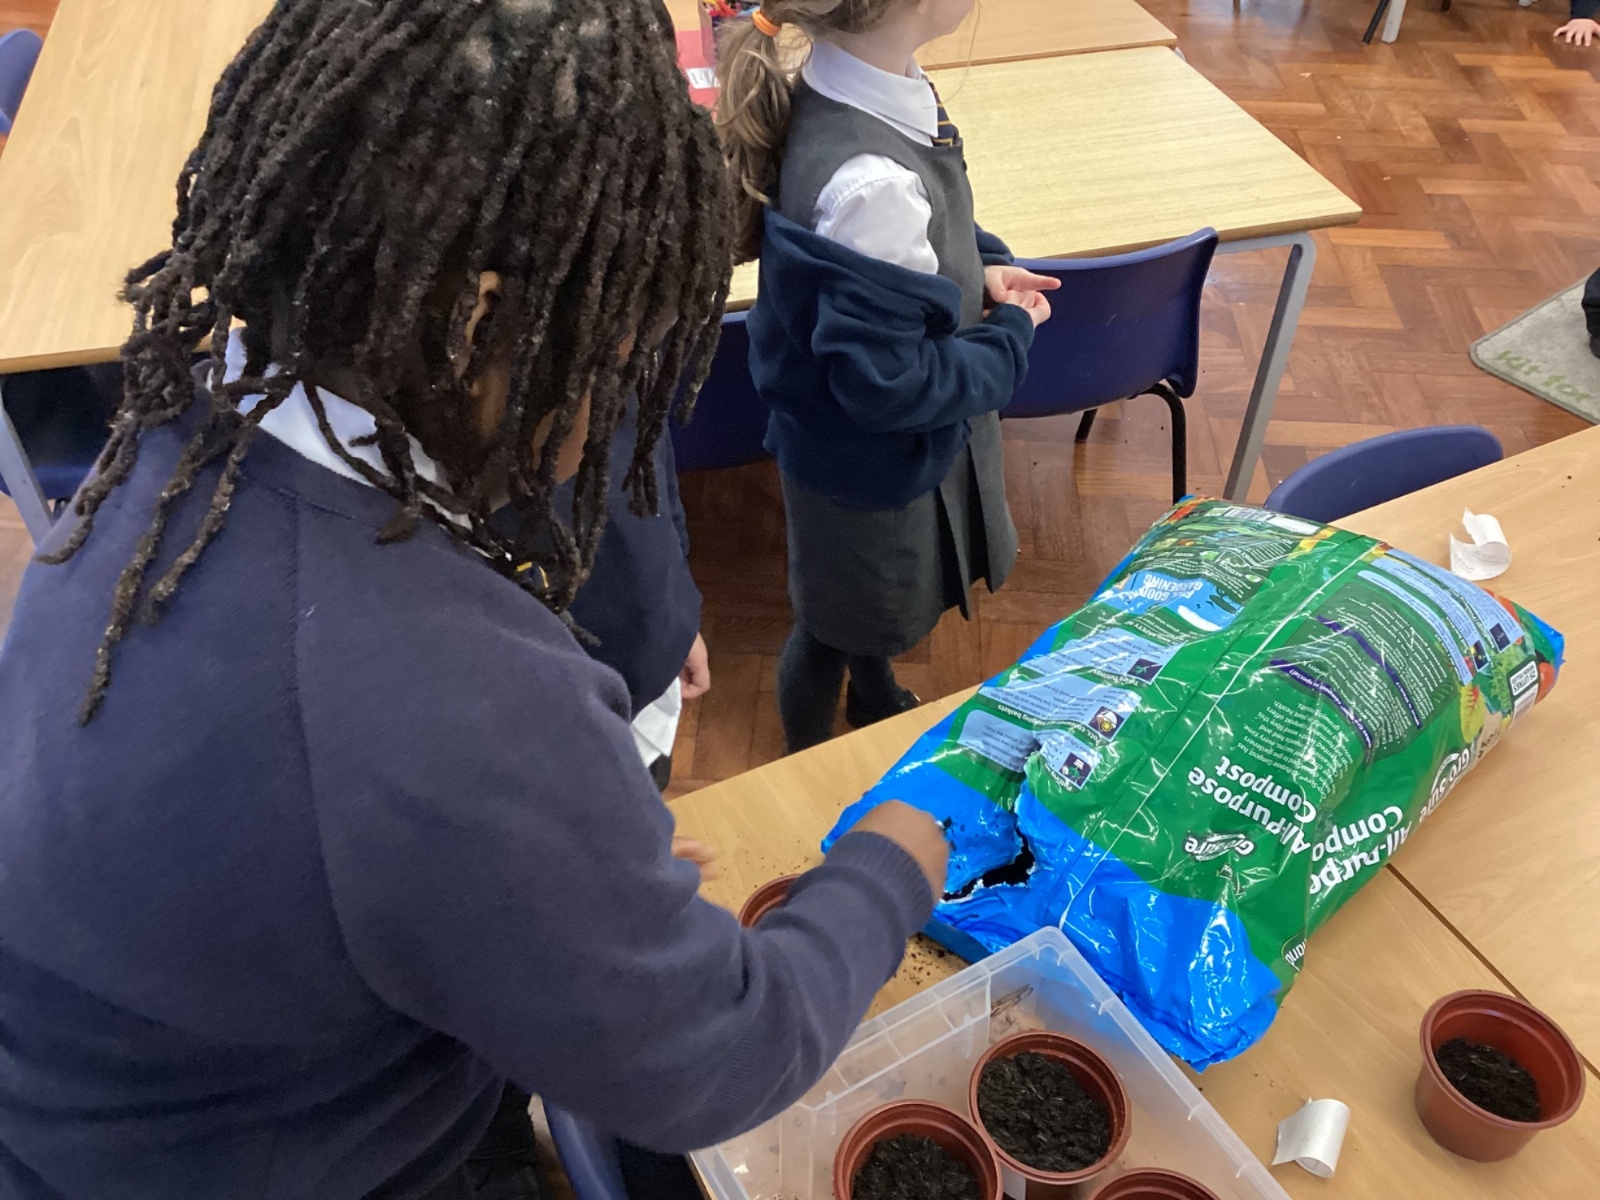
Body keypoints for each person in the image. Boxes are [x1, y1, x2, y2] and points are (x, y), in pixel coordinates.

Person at [0, 3, 952, 1199]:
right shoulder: (449, 706)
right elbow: (722, 1056)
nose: (612, 403)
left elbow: (321, 825)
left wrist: (526, 874)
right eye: (610, 358)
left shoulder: (179, 436)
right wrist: (887, 862)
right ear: (476, 323)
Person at [717, 0, 1058, 754]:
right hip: (862, 465)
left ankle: (873, 697)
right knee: (830, 627)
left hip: (880, 449)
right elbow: (892, 387)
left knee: (859, 612)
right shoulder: (871, 184)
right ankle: (806, 770)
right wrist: (1011, 334)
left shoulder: (879, 86)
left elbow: (935, 230)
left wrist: (983, 266)